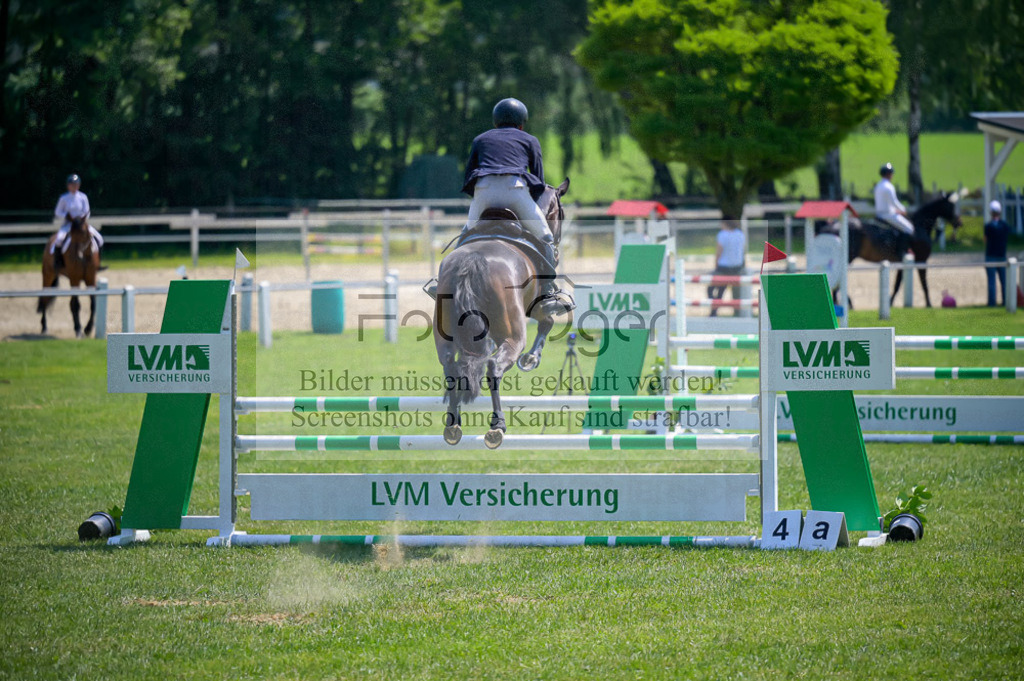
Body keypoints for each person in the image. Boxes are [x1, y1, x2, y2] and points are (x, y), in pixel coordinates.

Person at [462, 98, 551, 246]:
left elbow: (468, 177)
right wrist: (530, 201)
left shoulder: (480, 139)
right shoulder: (530, 140)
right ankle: (549, 270)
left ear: (495, 122)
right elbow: (539, 182)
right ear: (521, 125)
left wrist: (481, 196)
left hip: (484, 190)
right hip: (515, 190)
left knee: (465, 236)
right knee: (546, 237)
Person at [53, 174, 104, 265]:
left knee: (99, 239)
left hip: (81, 225)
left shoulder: (83, 197)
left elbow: (87, 211)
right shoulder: (64, 198)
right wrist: (67, 216)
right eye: (72, 184)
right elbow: (58, 212)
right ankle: (59, 263)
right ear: (68, 185)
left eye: (76, 184)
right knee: (59, 240)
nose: (74, 186)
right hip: (68, 225)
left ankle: (97, 263)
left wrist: (81, 218)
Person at [707, 219, 746, 316]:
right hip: (737, 267)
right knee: (721, 290)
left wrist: (716, 264)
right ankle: (715, 312)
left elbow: (719, 251)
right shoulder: (740, 234)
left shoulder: (722, 234)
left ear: (725, 224)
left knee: (710, 289)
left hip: (724, 268)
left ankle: (714, 311)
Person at [873, 163, 914, 235]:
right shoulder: (889, 187)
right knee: (910, 229)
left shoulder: (878, 185)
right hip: (888, 215)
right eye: (891, 173)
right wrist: (903, 209)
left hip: (878, 214)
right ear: (888, 174)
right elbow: (894, 202)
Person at [984, 200, 1010, 307]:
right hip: (1001, 256)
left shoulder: (988, 226)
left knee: (991, 281)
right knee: (1004, 281)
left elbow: (985, 240)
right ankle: (1006, 301)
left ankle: (992, 302)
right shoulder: (1004, 225)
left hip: (990, 255)